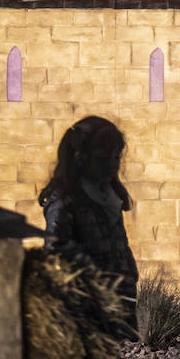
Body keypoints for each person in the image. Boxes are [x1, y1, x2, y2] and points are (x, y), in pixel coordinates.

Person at [39, 116, 138, 323]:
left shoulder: (110, 197)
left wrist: (129, 278)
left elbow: (120, 246)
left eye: (116, 157)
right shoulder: (65, 202)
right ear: (81, 158)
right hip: (85, 308)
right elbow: (56, 257)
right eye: (103, 158)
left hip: (120, 300)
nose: (112, 165)